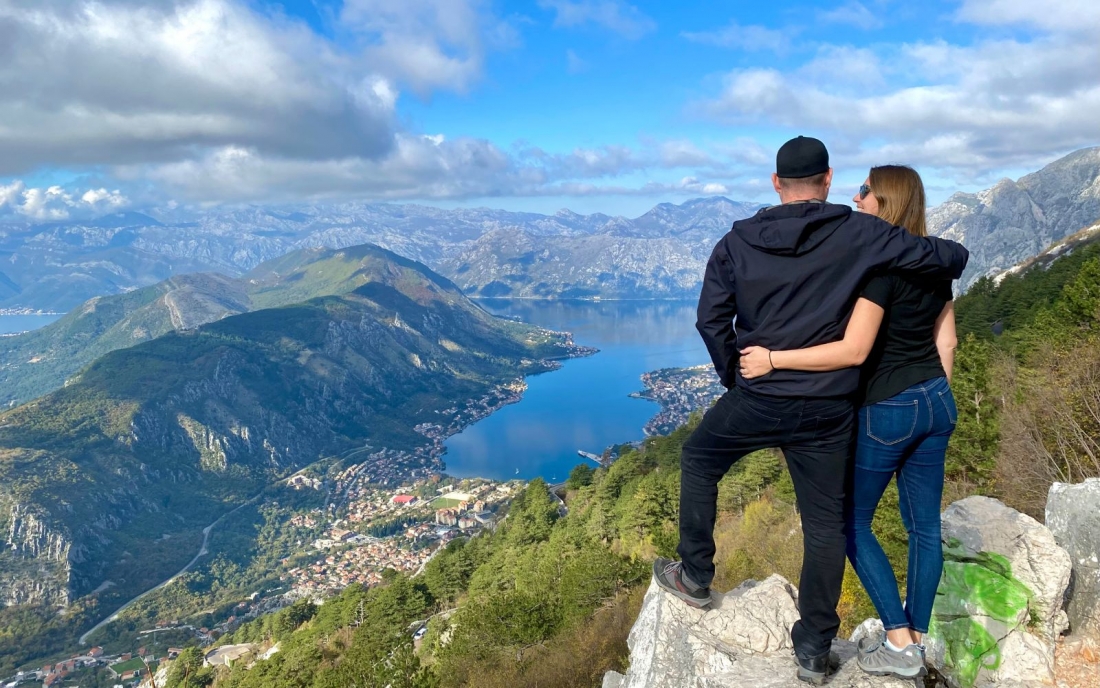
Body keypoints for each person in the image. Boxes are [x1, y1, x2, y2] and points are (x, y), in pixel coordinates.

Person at [649, 137, 968, 686]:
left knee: (700, 460)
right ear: (826, 180)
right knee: (825, 524)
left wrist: (738, 374)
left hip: (761, 395)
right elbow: (952, 258)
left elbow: (711, 321)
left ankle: (696, 575)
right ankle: (815, 649)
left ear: (775, 183)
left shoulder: (736, 240)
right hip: (828, 408)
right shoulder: (860, 232)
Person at [738, 165, 957, 680]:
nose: (856, 198)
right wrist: (933, 396)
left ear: (884, 202)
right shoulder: (934, 263)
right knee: (924, 526)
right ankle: (915, 642)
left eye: (864, 192)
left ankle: (900, 643)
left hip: (888, 407)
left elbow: (853, 350)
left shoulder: (879, 269)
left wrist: (773, 359)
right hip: (937, 400)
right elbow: (946, 341)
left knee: (850, 524)